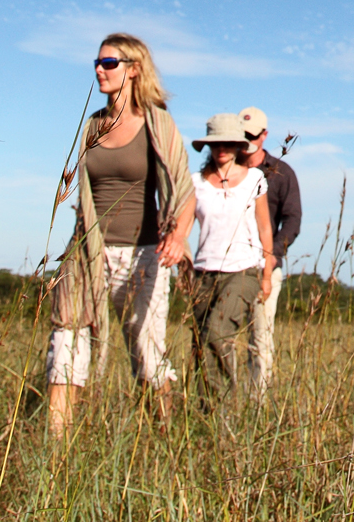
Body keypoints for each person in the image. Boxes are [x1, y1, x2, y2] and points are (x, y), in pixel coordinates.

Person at [45, 33, 194, 434]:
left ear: (133, 70)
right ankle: (55, 450)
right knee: (66, 345)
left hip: (144, 254)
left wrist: (177, 236)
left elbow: (184, 191)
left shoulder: (157, 123)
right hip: (87, 252)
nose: (99, 69)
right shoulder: (91, 124)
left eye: (109, 63)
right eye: (97, 62)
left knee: (146, 350)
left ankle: (166, 439)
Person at [186, 113, 274, 403]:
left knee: (217, 333)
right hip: (202, 272)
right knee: (200, 343)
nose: (221, 149)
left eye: (228, 143)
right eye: (215, 144)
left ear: (239, 146)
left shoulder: (255, 179)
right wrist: (182, 269)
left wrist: (266, 274)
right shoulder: (195, 182)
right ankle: (205, 414)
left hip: (243, 269)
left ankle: (222, 410)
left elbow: (264, 226)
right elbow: (184, 226)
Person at [238, 107, 300, 396]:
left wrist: (272, 254)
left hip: (265, 267)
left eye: (252, 135)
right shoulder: (225, 166)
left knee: (260, 338)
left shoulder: (282, 173)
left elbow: (293, 219)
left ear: (264, 135)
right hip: (227, 265)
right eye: (242, 135)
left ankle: (257, 403)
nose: (247, 140)